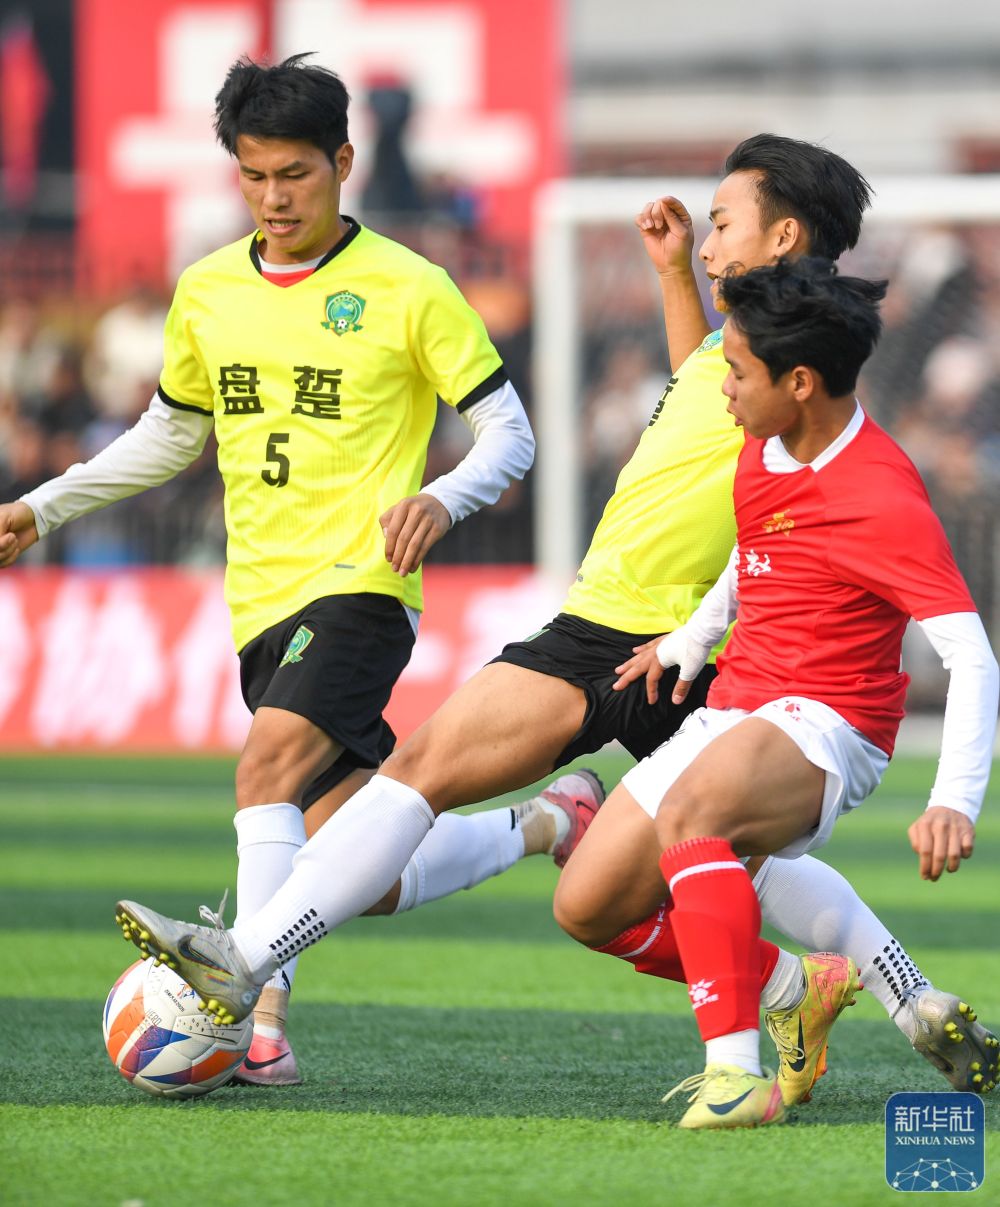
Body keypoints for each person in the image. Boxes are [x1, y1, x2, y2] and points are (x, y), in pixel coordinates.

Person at [110, 136, 997, 1102]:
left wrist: (703, 637)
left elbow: (787, 495)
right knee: (721, 862)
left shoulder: (792, 387)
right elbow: (705, 394)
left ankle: (243, 963)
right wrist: (673, 280)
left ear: (783, 237)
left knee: (460, 780)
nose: (706, 243)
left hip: (645, 640)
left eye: (722, 224)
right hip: (626, 631)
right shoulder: (741, 358)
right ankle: (886, 994)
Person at [0, 53, 555, 1083]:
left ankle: (252, 1018)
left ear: (342, 162)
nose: (274, 197)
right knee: (352, 865)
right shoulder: (209, 289)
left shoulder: (409, 287)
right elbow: (171, 437)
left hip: (362, 586)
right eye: (253, 176)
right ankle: (546, 823)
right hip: (257, 599)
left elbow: (510, 435)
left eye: (294, 174)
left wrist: (442, 497)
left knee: (263, 771)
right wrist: (43, 506)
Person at [556, 257, 999, 1128]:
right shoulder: (762, 448)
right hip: (739, 704)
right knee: (588, 905)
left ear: (799, 383)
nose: (722, 387)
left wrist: (955, 799)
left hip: (831, 722)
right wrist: (689, 642)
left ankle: (735, 1078)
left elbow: (973, 655)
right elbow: (751, 555)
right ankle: (810, 989)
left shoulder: (880, 494)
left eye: (737, 370)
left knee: (697, 815)